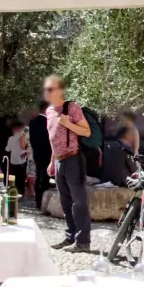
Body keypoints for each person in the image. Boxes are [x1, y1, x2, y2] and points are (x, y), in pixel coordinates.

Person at [43, 75, 92, 252]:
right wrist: (52, 162)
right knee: (65, 202)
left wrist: (68, 123)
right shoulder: (49, 111)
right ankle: (70, 236)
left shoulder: (71, 108)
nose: (47, 92)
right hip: (59, 161)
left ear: (60, 90)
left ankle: (83, 242)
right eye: (46, 89)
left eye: (51, 89)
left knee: (79, 202)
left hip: (73, 159)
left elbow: (86, 132)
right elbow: (53, 139)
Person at [29, 102, 53, 210]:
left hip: (37, 153)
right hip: (47, 153)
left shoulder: (32, 122)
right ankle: (43, 202)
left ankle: (38, 201)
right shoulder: (47, 121)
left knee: (39, 175)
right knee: (45, 178)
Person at [5, 120, 29, 194]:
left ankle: (12, 191)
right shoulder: (25, 137)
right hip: (22, 161)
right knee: (21, 178)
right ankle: (21, 192)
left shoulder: (11, 138)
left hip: (13, 161)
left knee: (12, 178)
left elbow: (7, 149)